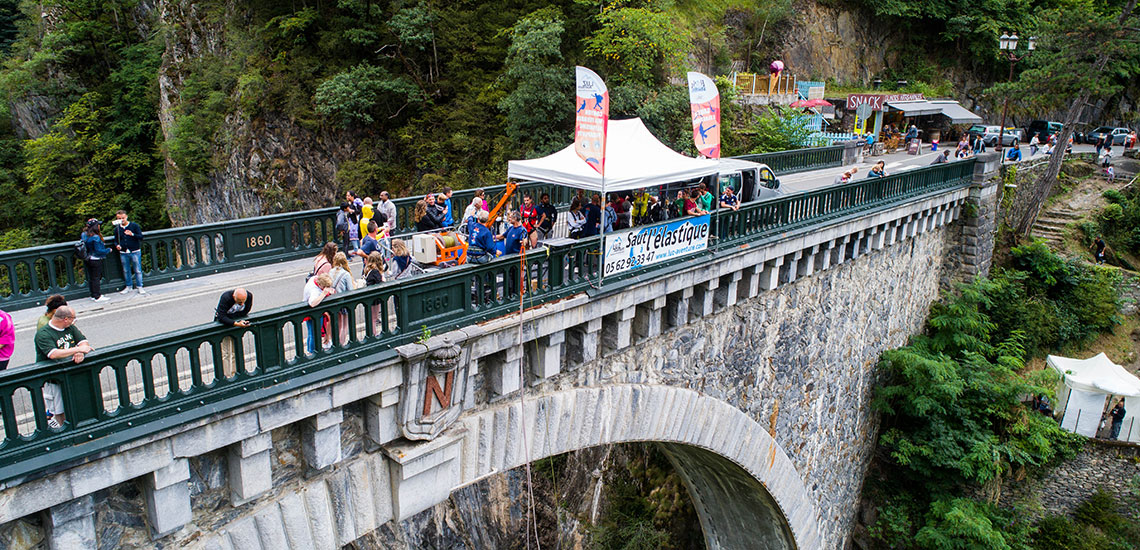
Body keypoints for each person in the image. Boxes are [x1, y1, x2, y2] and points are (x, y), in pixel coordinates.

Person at [34, 306, 93, 427]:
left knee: (78, 403)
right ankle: (62, 429)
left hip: (72, 374)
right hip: (53, 378)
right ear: (65, 319)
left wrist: (79, 352)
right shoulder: (43, 334)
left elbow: (83, 341)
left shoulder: (70, 328)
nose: (74, 321)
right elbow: (53, 353)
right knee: (58, 409)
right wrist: (78, 349)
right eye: (73, 318)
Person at [113, 210, 145, 295]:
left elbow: (141, 237)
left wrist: (132, 234)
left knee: (137, 270)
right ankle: (128, 286)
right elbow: (115, 240)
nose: (121, 220)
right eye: (119, 218)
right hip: (123, 252)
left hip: (135, 251)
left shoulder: (134, 226)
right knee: (126, 270)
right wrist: (117, 245)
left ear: (126, 217)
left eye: (123, 218)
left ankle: (140, 286)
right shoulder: (117, 229)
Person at [302, 273, 335, 353]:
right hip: (314, 313)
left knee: (311, 332)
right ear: (321, 285)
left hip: (309, 313)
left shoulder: (315, 278)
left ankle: (311, 350)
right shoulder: (315, 290)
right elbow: (312, 303)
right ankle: (313, 351)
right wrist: (324, 294)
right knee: (315, 333)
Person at [81, 219, 112, 302]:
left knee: (91, 277)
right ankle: (97, 296)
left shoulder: (84, 234)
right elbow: (99, 251)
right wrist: (108, 250)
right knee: (96, 278)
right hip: (95, 259)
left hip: (87, 258)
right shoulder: (95, 237)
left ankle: (93, 294)